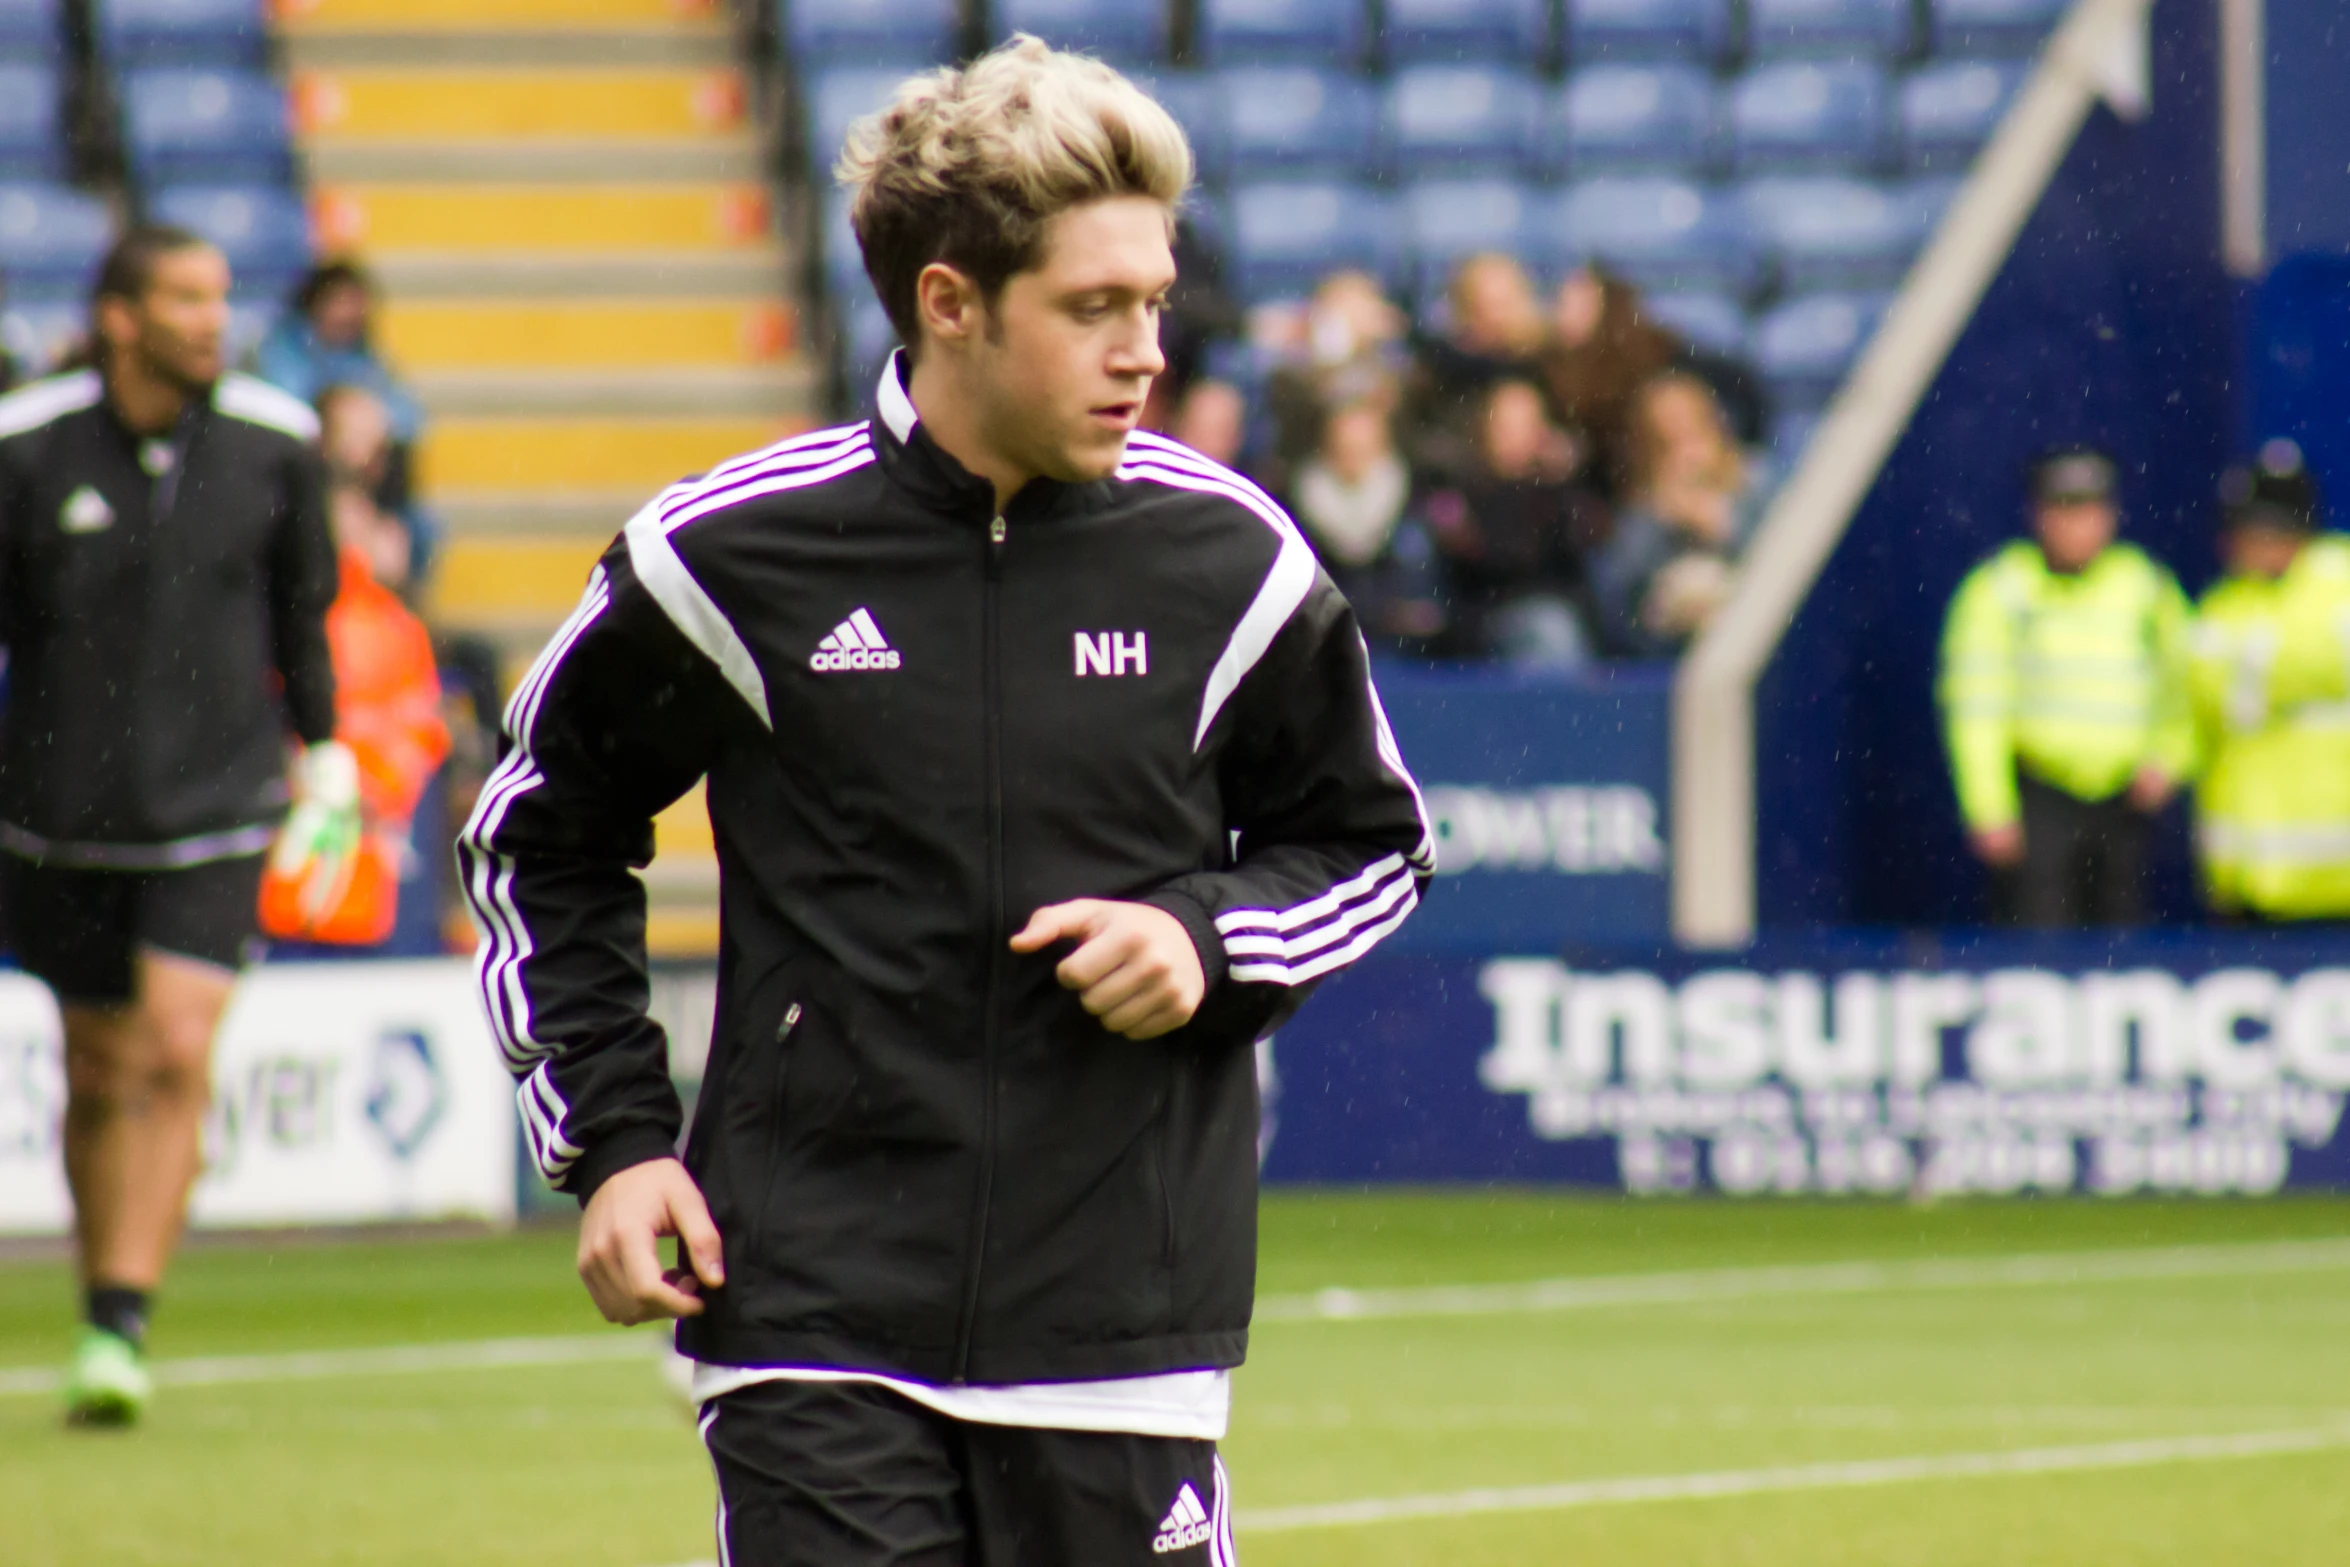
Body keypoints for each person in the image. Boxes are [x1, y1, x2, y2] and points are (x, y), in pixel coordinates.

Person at [455, 36, 1431, 1566]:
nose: (1145, 351)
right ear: (948, 302)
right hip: (813, 1308)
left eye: (1156, 303)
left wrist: (1207, 936)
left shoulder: (1229, 557)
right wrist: (617, 1137)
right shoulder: (728, 558)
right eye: (1094, 307)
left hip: (1122, 1318)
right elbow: (538, 830)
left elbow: (1373, 847)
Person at [0, 226, 348, 1424]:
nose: (212, 318)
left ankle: (128, 1321)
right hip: (58, 819)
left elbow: (307, 616)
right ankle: (101, 1302)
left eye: (219, 295)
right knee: (98, 1067)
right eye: (185, 298)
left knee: (177, 1046)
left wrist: (331, 755)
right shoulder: (26, 451)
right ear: (118, 317)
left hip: (222, 807)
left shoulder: (275, 446)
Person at [1936, 446, 2194, 926]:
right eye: (2064, 510)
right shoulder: (2000, 588)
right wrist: (1990, 806)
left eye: (2090, 510)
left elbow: (2186, 685)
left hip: (2125, 803)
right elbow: (1976, 706)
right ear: (2038, 515)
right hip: (2041, 800)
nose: (2078, 526)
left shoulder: (2145, 585)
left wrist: (2170, 758)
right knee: (2038, 946)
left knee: (2123, 948)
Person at [2186, 441, 2350, 921]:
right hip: (2250, 880)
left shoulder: (2338, 575)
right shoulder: (2223, 602)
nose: (2238, 544)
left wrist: (2257, 667)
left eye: (2255, 530)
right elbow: (2209, 692)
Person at [1423, 377, 1607, 667]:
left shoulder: (1560, 491)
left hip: (1559, 611)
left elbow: (1583, 549)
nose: (1515, 436)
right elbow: (1496, 560)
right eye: (1505, 425)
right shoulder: (1462, 488)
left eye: (1526, 425)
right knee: (1549, 629)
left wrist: (1560, 483)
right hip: (1487, 618)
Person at [1590, 371, 1757, 657]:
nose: (1686, 455)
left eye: (1693, 433)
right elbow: (1617, 597)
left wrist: (1724, 528)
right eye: (1667, 442)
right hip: (1666, 641)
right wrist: (1660, 517)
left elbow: (1782, 565)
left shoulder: (1754, 483)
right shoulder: (1641, 507)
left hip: (1745, 625)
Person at [1286, 374, 1444, 652]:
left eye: (1363, 448)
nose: (1354, 457)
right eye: (1345, 448)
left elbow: (1424, 608)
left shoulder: (1411, 500)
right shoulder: (1299, 502)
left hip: (1400, 646)